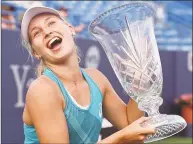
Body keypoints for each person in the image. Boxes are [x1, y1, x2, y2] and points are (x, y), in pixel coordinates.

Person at [21, 6, 155, 144]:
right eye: (36, 33)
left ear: (70, 29)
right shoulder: (42, 90)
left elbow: (131, 125)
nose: (47, 31)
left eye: (51, 23)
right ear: (35, 53)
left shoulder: (97, 78)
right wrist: (120, 137)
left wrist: (139, 83)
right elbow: (127, 133)